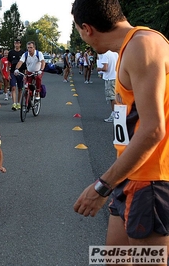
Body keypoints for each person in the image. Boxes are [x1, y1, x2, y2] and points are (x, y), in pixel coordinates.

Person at [72, 0, 169, 256]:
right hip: (129, 177)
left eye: (79, 32)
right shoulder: (132, 48)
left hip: (149, 180)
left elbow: (153, 129)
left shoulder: (142, 45)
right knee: (114, 258)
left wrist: (102, 187)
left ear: (87, 28)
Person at [96, 50, 118, 123]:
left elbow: (105, 68)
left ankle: (114, 115)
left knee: (112, 97)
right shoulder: (115, 53)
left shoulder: (106, 55)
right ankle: (118, 114)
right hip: (116, 77)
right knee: (117, 97)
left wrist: (99, 69)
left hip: (110, 78)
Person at [7, 39, 25, 110]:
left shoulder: (23, 53)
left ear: (20, 44)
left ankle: (18, 103)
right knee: (13, 87)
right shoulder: (11, 52)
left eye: (18, 43)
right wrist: (8, 73)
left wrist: (25, 74)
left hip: (21, 72)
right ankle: (14, 103)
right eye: (15, 43)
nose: (16, 45)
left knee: (20, 89)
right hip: (13, 72)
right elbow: (9, 63)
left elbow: (25, 64)